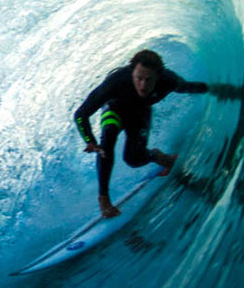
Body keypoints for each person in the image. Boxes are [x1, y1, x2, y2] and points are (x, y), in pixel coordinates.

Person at [74, 50, 209, 218]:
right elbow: (80, 114)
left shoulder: (168, 80)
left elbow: (188, 87)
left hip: (139, 114)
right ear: (132, 73)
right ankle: (104, 198)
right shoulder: (116, 82)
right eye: (138, 78)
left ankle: (157, 156)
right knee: (108, 137)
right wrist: (90, 140)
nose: (143, 85)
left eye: (148, 80)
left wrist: (214, 89)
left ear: (158, 77)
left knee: (133, 159)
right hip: (114, 109)